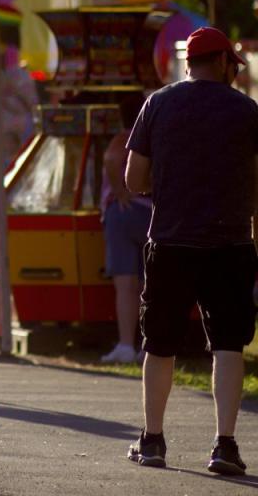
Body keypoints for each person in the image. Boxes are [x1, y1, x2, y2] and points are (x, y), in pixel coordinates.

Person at [124, 27, 258, 475]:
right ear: (222, 63)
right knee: (227, 345)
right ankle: (224, 445)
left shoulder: (158, 104)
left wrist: (162, 184)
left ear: (188, 64)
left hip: (170, 241)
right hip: (231, 244)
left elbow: (132, 179)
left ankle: (153, 440)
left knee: (159, 344)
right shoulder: (247, 110)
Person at [100, 93, 152, 365]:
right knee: (149, 284)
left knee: (125, 283)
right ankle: (148, 344)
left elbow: (111, 159)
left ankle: (125, 344)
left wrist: (119, 191)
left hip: (123, 213)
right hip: (150, 213)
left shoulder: (124, 137)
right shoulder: (152, 138)